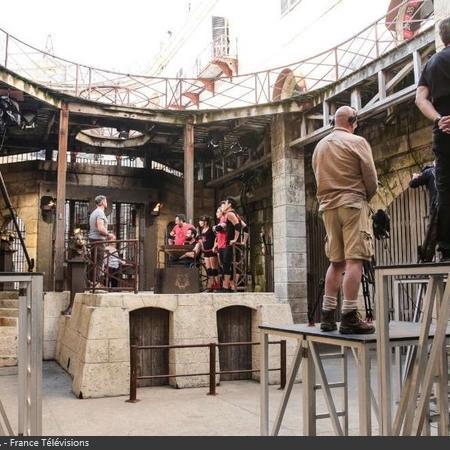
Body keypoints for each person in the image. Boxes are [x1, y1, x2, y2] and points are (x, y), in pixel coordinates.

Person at [312, 106, 378, 334]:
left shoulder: (319, 146)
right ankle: (349, 316)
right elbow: (371, 178)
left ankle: (327, 316)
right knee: (355, 260)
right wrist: (364, 198)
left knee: (336, 261)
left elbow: (317, 176)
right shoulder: (357, 141)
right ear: (353, 121)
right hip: (352, 203)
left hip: (328, 207)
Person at [416, 17, 450, 261]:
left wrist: (440, 119)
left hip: (444, 130)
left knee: (446, 189)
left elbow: (420, 99)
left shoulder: (432, 63)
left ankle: (447, 247)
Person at [214, 198, 242, 292]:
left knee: (229, 264)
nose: (223, 206)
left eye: (225, 203)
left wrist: (236, 239)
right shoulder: (227, 215)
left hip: (229, 243)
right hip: (226, 243)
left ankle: (228, 286)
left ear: (229, 205)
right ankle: (227, 285)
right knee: (225, 264)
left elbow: (238, 226)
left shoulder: (230, 214)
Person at [88, 195, 115, 286]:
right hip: (98, 241)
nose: (107, 203)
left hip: (94, 240)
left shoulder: (94, 212)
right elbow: (100, 228)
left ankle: (93, 283)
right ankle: (95, 284)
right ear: (103, 202)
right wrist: (109, 234)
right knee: (98, 263)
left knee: (95, 262)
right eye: (106, 201)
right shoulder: (100, 213)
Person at [198, 216, 220, 292]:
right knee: (209, 269)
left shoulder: (211, 230)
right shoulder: (202, 230)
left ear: (205, 222)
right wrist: (202, 246)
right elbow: (202, 240)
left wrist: (214, 246)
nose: (199, 223)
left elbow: (217, 238)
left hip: (212, 250)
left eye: (201, 221)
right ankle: (211, 284)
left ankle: (217, 284)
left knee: (214, 269)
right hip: (206, 251)